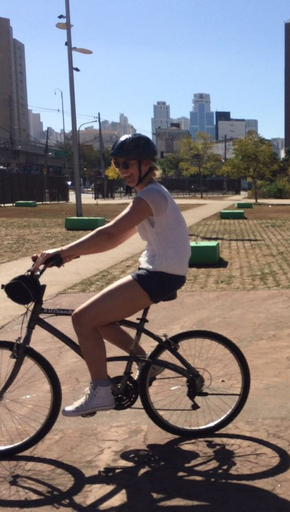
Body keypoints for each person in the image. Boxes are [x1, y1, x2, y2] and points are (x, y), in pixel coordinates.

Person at [31, 134, 191, 417]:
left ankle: (101, 391)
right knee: (97, 318)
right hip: (158, 271)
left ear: (146, 164)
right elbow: (115, 239)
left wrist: (63, 250)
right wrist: (68, 255)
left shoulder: (151, 195)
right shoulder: (149, 195)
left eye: (127, 163)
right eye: (117, 164)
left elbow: (109, 233)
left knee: (82, 318)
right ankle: (146, 362)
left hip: (161, 274)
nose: (122, 170)